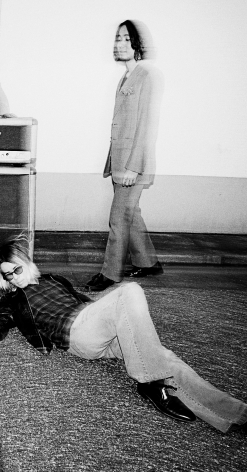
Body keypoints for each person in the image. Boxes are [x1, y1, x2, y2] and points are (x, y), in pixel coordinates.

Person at [0, 237, 247, 445]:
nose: (14, 278)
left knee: (164, 356)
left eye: (17, 269)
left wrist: (112, 309)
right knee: (130, 289)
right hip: (78, 334)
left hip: (98, 323)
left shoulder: (54, 278)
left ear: (27, 263)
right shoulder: (13, 301)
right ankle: (148, 382)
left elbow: (87, 301)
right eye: (7, 275)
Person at [86, 20, 164, 292]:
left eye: (126, 39)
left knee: (118, 218)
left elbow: (147, 125)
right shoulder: (126, 77)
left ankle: (110, 274)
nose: (120, 44)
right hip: (120, 161)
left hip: (133, 163)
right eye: (118, 38)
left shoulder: (147, 76)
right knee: (131, 214)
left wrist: (133, 167)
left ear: (138, 43)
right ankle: (148, 262)